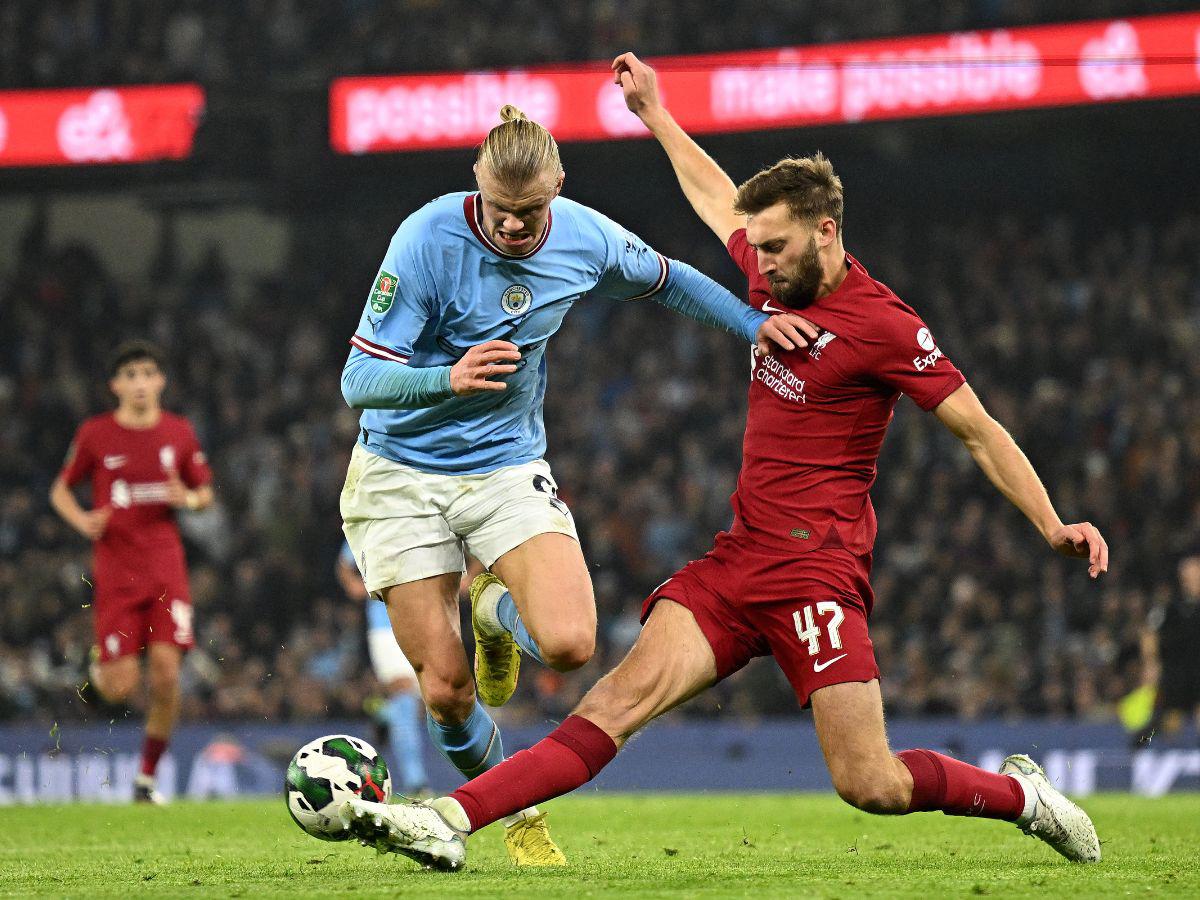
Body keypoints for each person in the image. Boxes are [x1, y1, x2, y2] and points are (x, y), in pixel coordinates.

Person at [338, 54, 1110, 870]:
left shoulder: (885, 326)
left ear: (826, 231)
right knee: (611, 703)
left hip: (817, 575)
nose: (758, 264)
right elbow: (716, 198)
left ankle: (1024, 796)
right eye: (756, 248)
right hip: (738, 563)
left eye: (774, 248)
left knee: (871, 782)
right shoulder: (774, 281)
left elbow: (979, 430)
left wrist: (1051, 522)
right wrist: (655, 115)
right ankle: (448, 818)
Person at [336, 105, 813, 865]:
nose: (513, 225)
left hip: (503, 465)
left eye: (529, 211)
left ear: (557, 187)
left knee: (568, 645)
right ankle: (518, 817)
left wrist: (752, 326)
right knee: (448, 690)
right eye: (499, 208)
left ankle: (492, 610)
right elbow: (358, 380)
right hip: (400, 474)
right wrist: (446, 378)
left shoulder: (585, 238)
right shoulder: (425, 239)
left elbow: (670, 280)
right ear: (477, 182)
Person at [50, 340, 213, 804]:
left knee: (166, 676)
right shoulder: (96, 433)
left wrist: (189, 499)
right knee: (120, 688)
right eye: (130, 375)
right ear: (115, 385)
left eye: (147, 373)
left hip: (165, 571)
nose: (140, 382)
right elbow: (60, 490)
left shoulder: (179, 432)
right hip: (117, 573)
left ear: (160, 380)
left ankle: (145, 779)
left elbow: (205, 494)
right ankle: (97, 667)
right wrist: (83, 520)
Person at [336, 541, 431, 795]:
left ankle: (382, 715)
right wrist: (353, 585)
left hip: (429, 622)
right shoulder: (372, 524)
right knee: (404, 696)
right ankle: (416, 781)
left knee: (427, 703)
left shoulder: (428, 522)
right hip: (386, 626)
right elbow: (344, 563)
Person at [1135, 549, 1200, 745]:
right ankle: (1156, 749)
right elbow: (1149, 632)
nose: (1189, 579)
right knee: (1168, 723)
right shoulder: (1170, 605)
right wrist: (1151, 663)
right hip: (1175, 674)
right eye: (1185, 574)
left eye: (1193, 573)